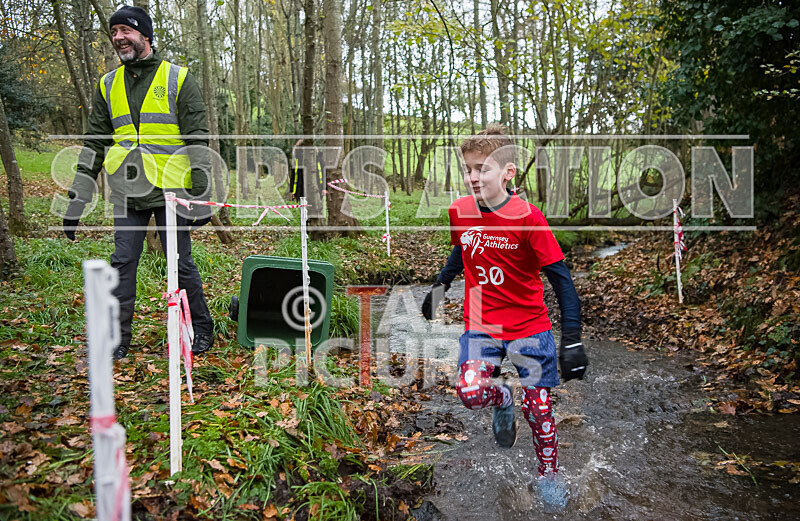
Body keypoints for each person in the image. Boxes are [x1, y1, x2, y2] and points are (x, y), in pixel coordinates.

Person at [422, 125, 588, 504]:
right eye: (468, 169)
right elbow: (463, 248)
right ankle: (502, 398)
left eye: (483, 169)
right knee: (470, 392)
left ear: (508, 172)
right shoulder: (461, 211)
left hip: (529, 325)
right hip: (481, 323)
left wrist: (572, 338)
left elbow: (561, 280)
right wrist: (440, 286)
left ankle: (549, 476)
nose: (473, 177)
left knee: (539, 408)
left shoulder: (529, 217)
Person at [62, 6, 214, 360]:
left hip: (171, 189)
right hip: (128, 189)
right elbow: (95, 141)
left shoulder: (177, 78)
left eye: (125, 31)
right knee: (122, 261)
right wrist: (78, 197)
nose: (118, 38)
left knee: (180, 263)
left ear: (145, 35)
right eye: (114, 32)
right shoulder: (107, 84)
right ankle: (117, 339)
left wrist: (202, 192)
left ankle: (201, 329)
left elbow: (197, 138)